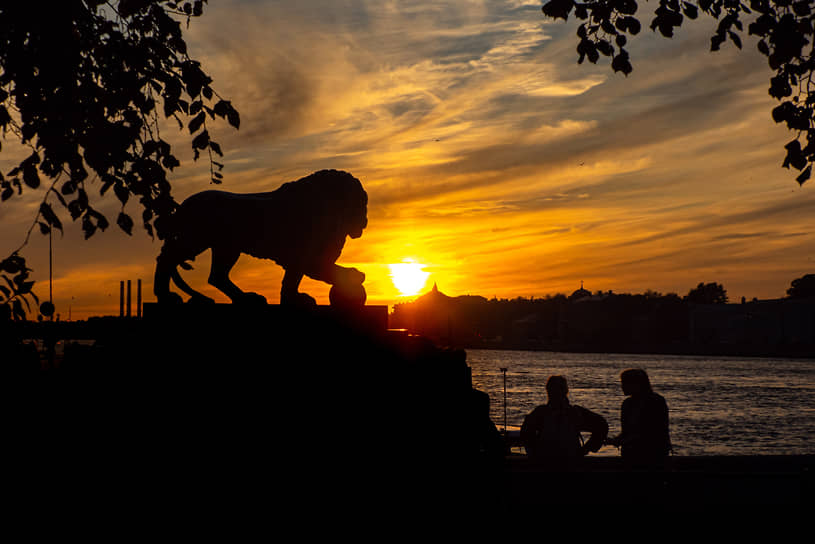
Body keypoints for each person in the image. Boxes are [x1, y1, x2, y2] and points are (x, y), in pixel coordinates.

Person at [520, 375, 608, 462]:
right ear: (566, 391)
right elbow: (602, 425)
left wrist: (585, 449)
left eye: (557, 390)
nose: (556, 393)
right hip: (559, 462)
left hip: (556, 463)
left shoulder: (573, 413)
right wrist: (585, 450)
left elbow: (602, 425)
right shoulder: (542, 413)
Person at [606, 368, 672, 466]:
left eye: (625, 383)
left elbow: (649, 432)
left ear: (637, 384)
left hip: (653, 454)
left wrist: (619, 441)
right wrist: (615, 440)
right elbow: (627, 432)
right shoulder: (627, 404)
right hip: (630, 453)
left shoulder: (655, 402)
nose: (622, 386)